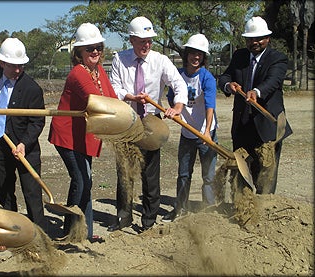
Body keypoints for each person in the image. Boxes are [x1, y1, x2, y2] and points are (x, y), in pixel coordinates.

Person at [109, 16, 188, 232]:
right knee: (124, 172)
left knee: (150, 174)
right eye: (141, 41)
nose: (146, 45)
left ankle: (148, 220)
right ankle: (123, 217)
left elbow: (178, 83)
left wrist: (178, 106)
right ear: (132, 39)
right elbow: (113, 87)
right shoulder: (119, 59)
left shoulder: (160, 60)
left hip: (151, 121)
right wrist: (130, 97)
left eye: (149, 41)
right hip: (126, 121)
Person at [0, 38, 46, 252]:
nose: (18, 69)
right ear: (2, 63)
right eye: (13, 65)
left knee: (32, 193)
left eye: (21, 65)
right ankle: (10, 235)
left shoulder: (32, 88)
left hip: (25, 149)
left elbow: (37, 121)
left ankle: (37, 237)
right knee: (4, 190)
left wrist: (24, 143)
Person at [48, 23, 117, 242]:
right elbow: (98, 101)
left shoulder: (98, 71)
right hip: (67, 135)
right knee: (81, 180)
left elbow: (112, 98)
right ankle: (70, 232)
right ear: (78, 52)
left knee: (86, 181)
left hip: (84, 136)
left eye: (97, 46)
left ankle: (84, 233)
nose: (94, 51)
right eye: (89, 48)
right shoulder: (78, 74)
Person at [218, 16, 292, 194]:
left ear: (267, 38)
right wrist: (229, 85)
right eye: (251, 39)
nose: (255, 42)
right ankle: (243, 209)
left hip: (267, 127)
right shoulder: (240, 56)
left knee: (266, 174)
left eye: (259, 38)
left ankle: (263, 211)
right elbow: (225, 77)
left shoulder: (278, 59)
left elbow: (273, 81)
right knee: (241, 171)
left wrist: (256, 92)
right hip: (243, 126)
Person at [162, 34, 218, 222]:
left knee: (208, 176)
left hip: (205, 133)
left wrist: (207, 132)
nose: (196, 57)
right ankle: (180, 209)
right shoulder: (178, 75)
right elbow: (172, 97)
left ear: (204, 57)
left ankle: (209, 211)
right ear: (186, 54)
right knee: (184, 174)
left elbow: (210, 106)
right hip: (187, 133)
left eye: (200, 54)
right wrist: (175, 112)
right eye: (192, 53)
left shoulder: (207, 78)